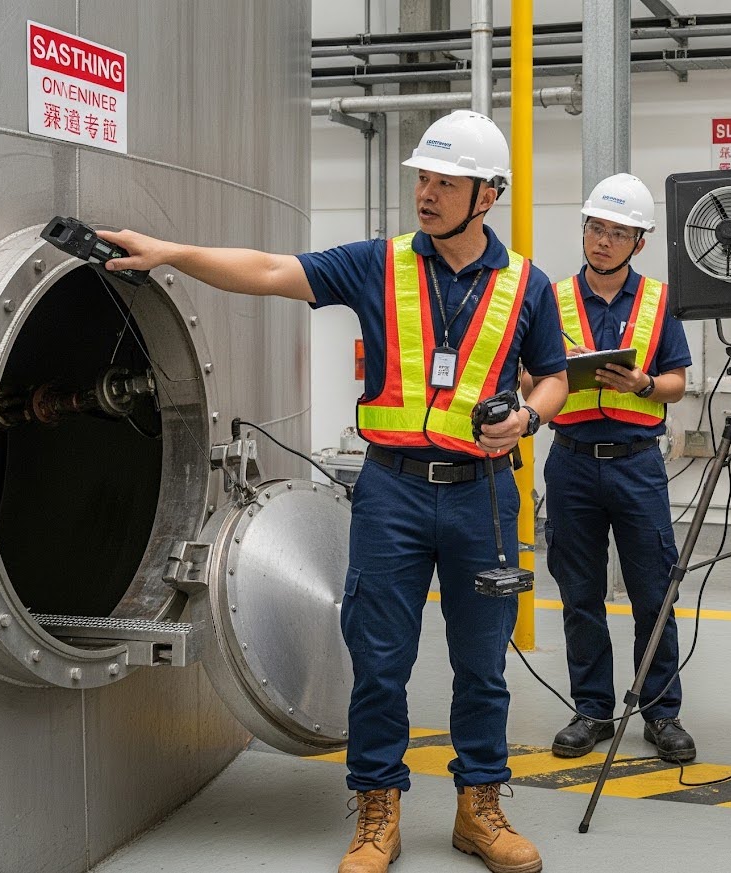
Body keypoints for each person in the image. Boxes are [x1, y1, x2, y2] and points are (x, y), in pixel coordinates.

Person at [100, 109, 565, 873]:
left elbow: (552, 375)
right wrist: (172, 254)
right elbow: (272, 270)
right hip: (392, 493)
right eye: (423, 178)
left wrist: (526, 417)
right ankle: (376, 806)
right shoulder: (377, 264)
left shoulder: (528, 286)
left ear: (488, 196)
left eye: (447, 182)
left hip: (483, 492)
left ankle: (479, 805)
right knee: (379, 658)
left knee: (482, 660)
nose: (427, 193)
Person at [536, 173, 696, 763]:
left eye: (617, 232)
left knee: (654, 592)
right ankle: (591, 710)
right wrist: (553, 373)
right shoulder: (550, 300)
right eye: (595, 227)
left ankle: (662, 714)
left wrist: (644, 383)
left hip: (637, 466)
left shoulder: (659, 303)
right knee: (580, 594)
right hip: (572, 462)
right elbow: (524, 378)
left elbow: (678, 382)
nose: (602, 240)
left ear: (640, 242)